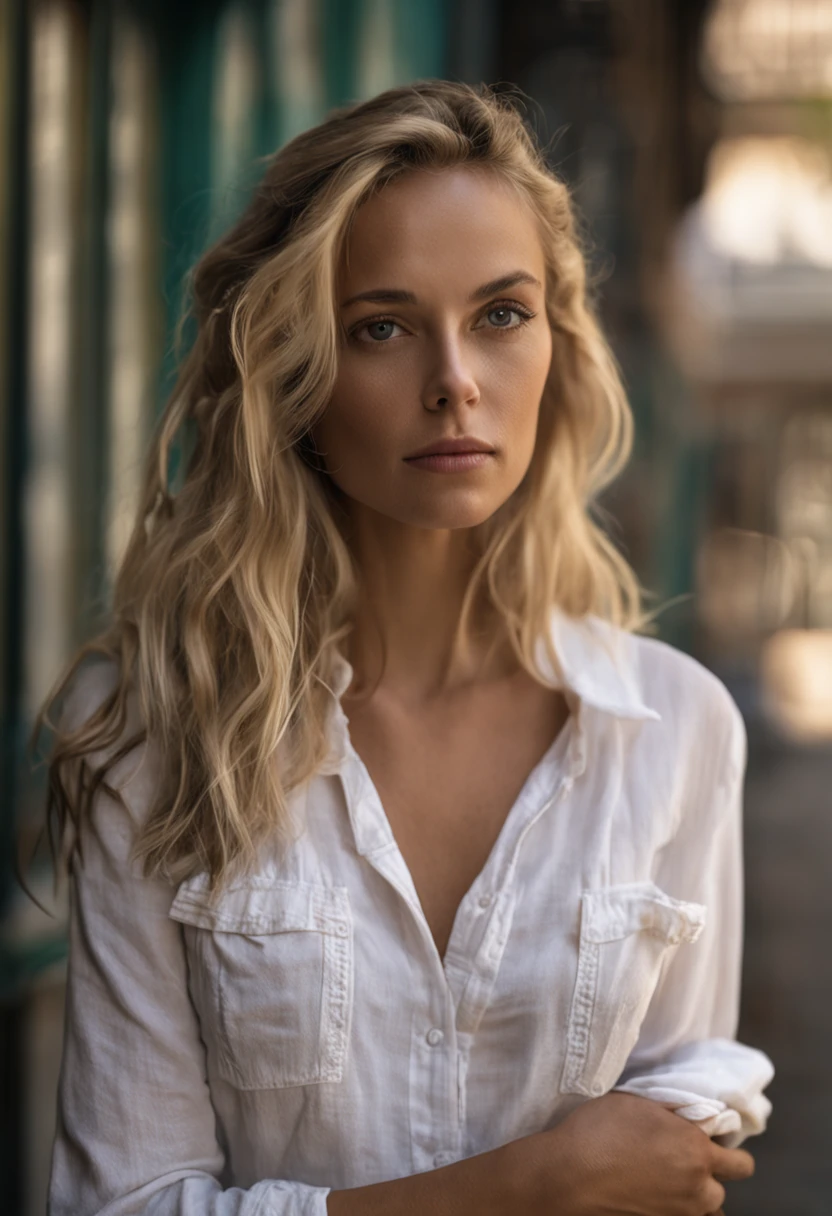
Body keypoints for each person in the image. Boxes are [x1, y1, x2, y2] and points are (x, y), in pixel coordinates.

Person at [37, 80, 773, 1216]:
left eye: (499, 314)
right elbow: (123, 1204)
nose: (454, 382)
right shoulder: (157, 722)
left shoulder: (670, 729)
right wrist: (527, 1187)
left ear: (556, 342)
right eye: (381, 327)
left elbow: (662, 1155)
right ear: (293, 377)